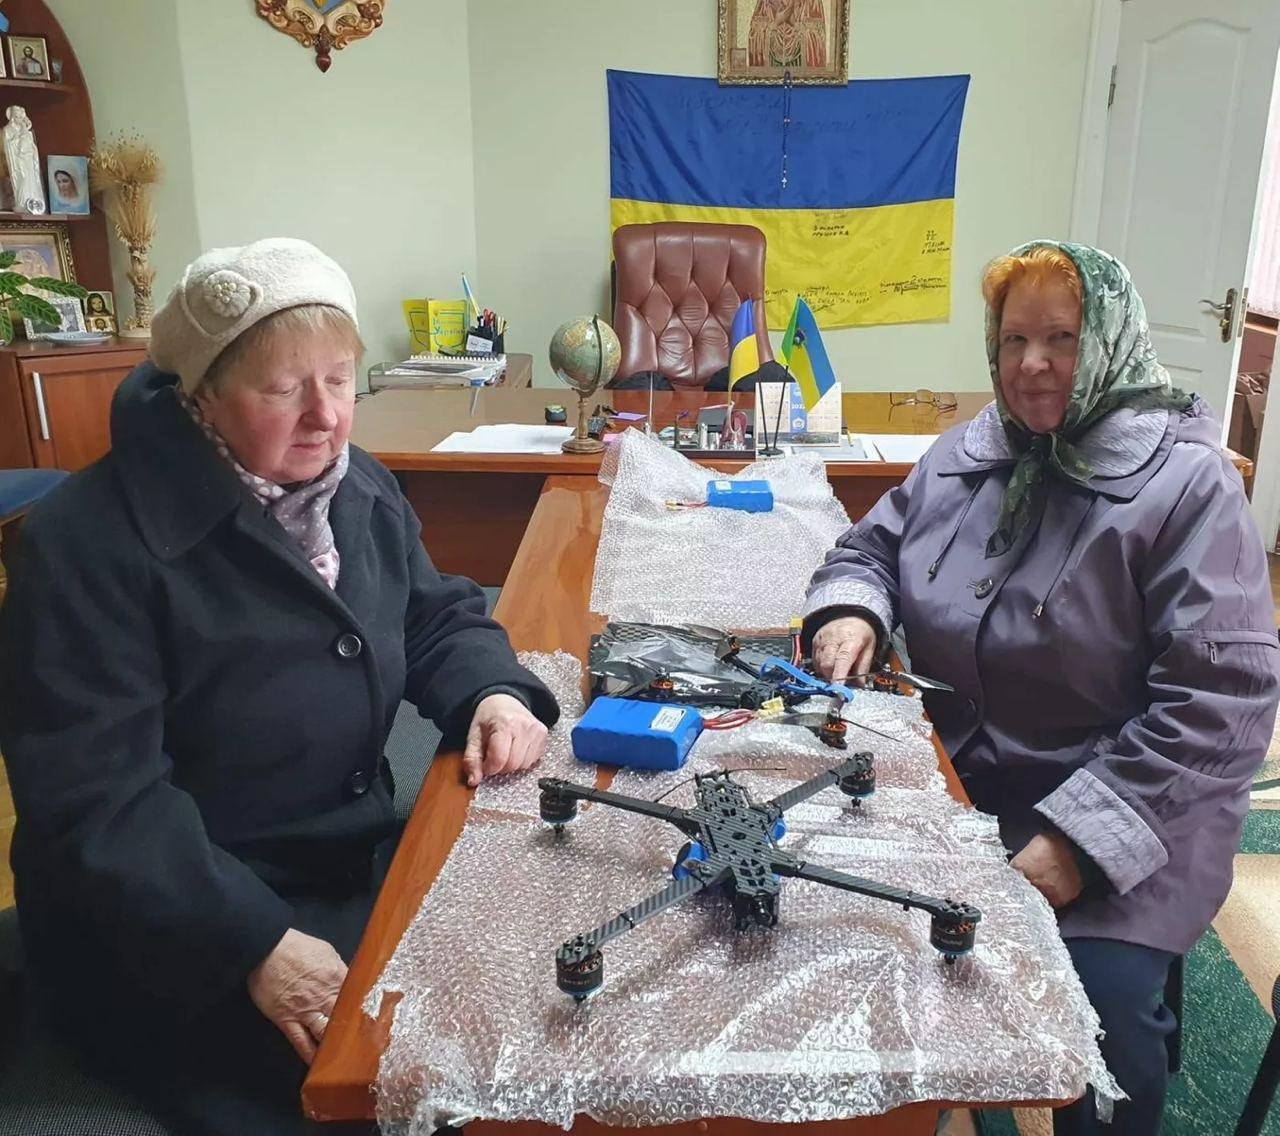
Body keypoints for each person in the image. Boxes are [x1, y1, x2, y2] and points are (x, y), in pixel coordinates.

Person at [0, 237, 560, 1135]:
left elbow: (430, 614)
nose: (324, 416)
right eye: (282, 388)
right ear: (201, 396)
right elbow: (97, 802)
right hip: (177, 922)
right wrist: (250, 943)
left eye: (339, 380)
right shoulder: (85, 543)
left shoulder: (355, 484)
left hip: (339, 862)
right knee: (393, 1088)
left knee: (524, 996)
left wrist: (492, 692)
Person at [803, 240, 1279, 1135]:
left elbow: (1223, 700)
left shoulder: (1188, 485)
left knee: (1098, 1014)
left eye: (1061, 338)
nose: (1031, 364)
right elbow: (871, 548)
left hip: (1134, 803)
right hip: (958, 781)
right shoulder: (971, 449)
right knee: (829, 922)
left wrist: (1082, 845)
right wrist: (854, 611)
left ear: (1110, 343)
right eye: (1014, 339)